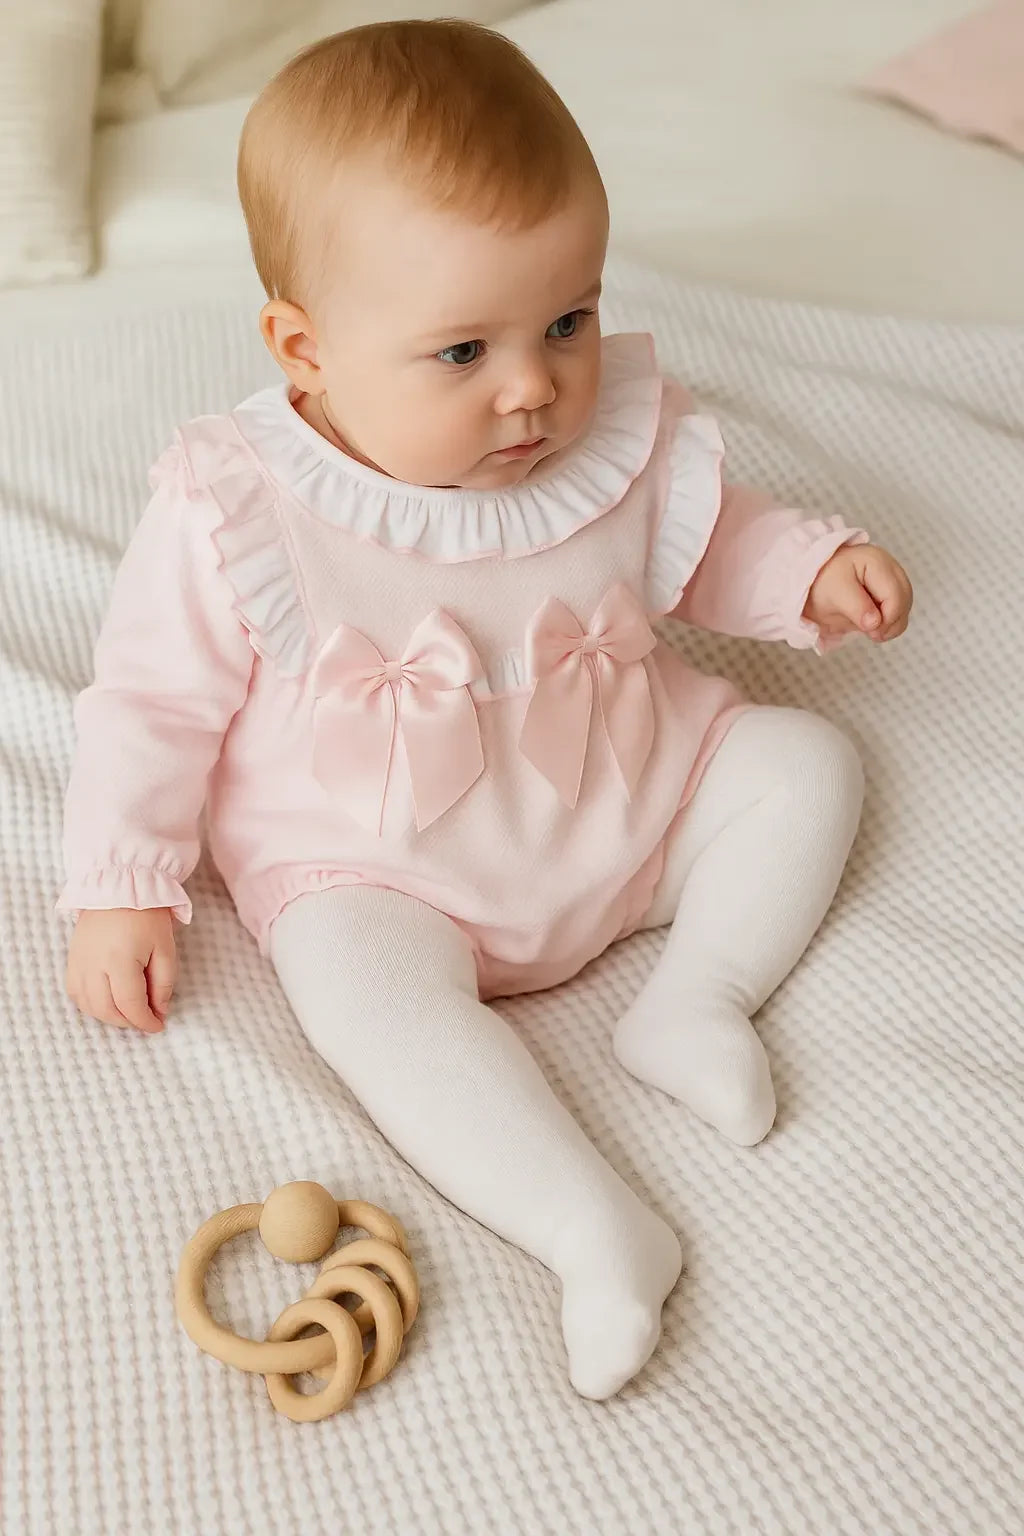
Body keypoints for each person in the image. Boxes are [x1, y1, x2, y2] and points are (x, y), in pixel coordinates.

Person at [61, 21, 912, 1399]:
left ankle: (699, 1000)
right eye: (462, 352)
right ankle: (591, 1227)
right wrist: (123, 884)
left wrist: (808, 570)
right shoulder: (241, 508)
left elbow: (700, 545)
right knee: (359, 994)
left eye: (567, 319)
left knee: (807, 760)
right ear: (306, 349)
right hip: (382, 859)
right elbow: (150, 701)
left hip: (627, 795)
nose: (534, 389)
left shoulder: (602, 440)